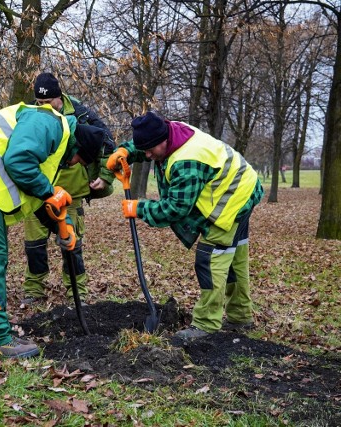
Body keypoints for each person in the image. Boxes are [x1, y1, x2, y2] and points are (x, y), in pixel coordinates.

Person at [0, 103, 105, 358]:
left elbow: (39, 198)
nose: (74, 164)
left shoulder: (53, 142)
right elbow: (18, 162)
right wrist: (50, 192)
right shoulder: (50, 124)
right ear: (78, 149)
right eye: (79, 161)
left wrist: (63, 227)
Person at [106, 111, 264, 341]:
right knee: (234, 258)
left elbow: (175, 208)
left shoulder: (186, 161)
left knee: (210, 260)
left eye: (150, 150)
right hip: (245, 185)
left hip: (232, 198)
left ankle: (206, 324)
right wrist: (126, 151)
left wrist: (138, 209)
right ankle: (240, 317)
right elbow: (147, 144)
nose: (148, 156)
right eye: (144, 151)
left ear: (163, 140)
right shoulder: (172, 130)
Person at [21, 72, 116, 305]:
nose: (43, 107)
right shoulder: (29, 114)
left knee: (71, 244)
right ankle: (34, 289)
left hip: (72, 193)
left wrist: (105, 177)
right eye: (39, 103)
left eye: (47, 102)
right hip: (38, 190)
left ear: (59, 98)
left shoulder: (82, 113)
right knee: (34, 245)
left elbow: (107, 142)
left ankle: (77, 291)